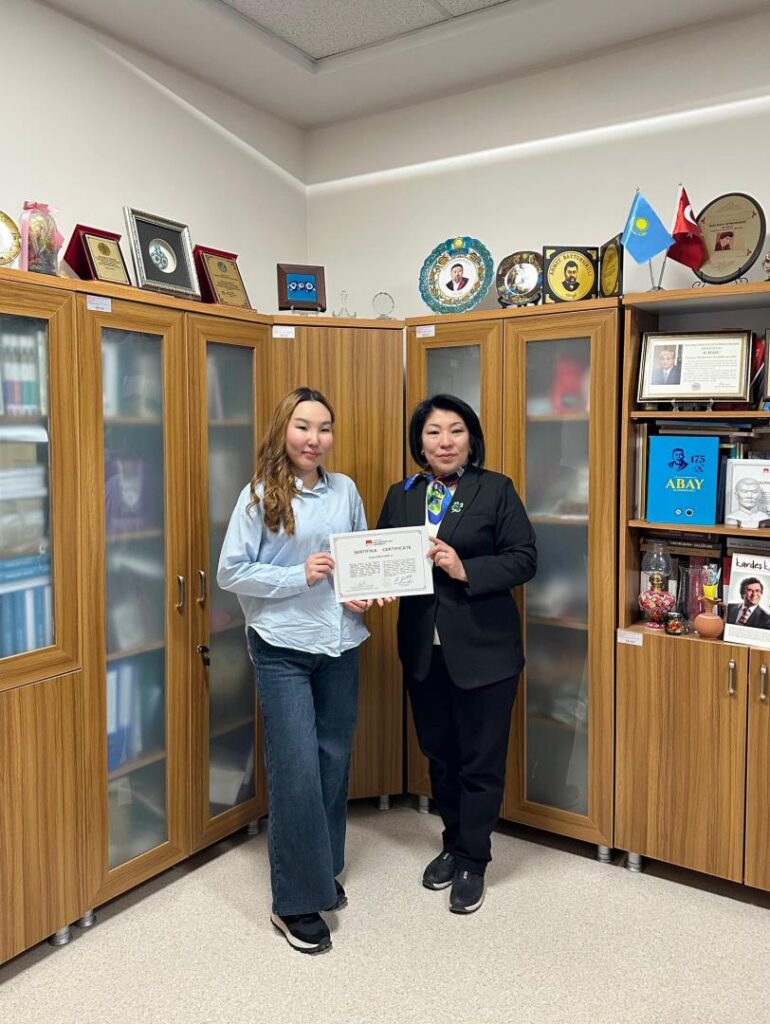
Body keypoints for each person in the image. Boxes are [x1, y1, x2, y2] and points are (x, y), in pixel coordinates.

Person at [217, 386, 371, 955]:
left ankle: (320, 871)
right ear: (284, 429)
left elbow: (356, 559)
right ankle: (294, 902)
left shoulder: (345, 489)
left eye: (324, 428)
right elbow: (230, 571)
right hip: (282, 645)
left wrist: (359, 592)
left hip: (340, 642)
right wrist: (296, 575)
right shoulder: (259, 495)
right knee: (297, 769)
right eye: (303, 426)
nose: (314, 439)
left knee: (332, 760)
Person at [377, 394, 537, 914]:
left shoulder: (495, 489)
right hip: (424, 650)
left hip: (485, 651)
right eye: (433, 432)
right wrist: (369, 582)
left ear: (471, 439)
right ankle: (452, 842)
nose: (444, 442)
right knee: (440, 755)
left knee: (480, 761)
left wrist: (465, 567)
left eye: (455, 431)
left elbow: (524, 558)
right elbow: (380, 558)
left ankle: (474, 859)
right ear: (419, 443)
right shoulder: (402, 494)